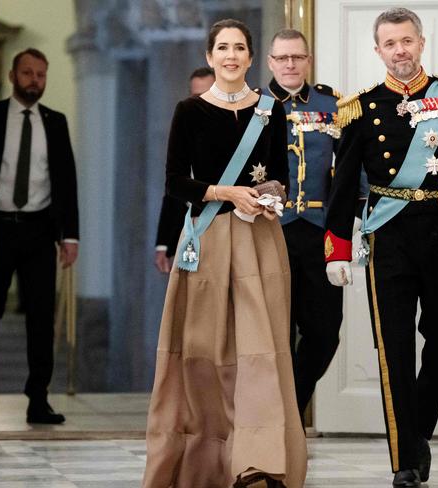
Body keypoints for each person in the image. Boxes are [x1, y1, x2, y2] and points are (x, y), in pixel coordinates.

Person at [324, 8, 438, 487]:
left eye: (407, 41)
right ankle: (404, 461)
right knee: (394, 350)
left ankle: (416, 430)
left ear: (421, 43)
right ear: (377, 50)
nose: (399, 50)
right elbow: (341, 187)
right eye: (390, 43)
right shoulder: (360, 108)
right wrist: (337, 248)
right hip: (390, 237)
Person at [142, 19, 307, 488]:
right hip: (210, 240)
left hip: (260, 243)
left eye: (239, 48)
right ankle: (211, 462)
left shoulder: (271, 112)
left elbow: (281, 179)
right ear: (211, 56)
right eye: (222, 48)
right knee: (205, 353)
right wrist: (228, 194)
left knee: (264, 353)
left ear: (252, 58)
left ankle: (259, 463)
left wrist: (266, 198)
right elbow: (175, 183)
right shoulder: (189, 110)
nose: (231, 55)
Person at [265, 29, 364, 421]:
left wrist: (359, 219)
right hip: (270, 231)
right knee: (274, 334)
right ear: (270, 62)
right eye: (282, 58)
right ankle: (274, 422)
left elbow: (352, 169)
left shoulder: (332, 104)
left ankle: (290, 405)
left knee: (324, 332)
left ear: (307, 61)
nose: (290, 64)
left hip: (319, 231)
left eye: (297, 58)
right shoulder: (256, 107)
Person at [0, 48, 79, 424]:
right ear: (12, 76)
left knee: (41, 319)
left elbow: (67, 183)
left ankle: (38, 399)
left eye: (40, 74)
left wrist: (70, 236)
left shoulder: (54, 122)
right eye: (27, 73)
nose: (34, 81)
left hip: (40, 231)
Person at [154, 67, 216, 274]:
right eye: (196, 96)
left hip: (223, 227)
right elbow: (173, 191)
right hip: (189, 232)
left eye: (208, 94)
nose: (202, 102)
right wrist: (163, 244)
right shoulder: (184, 130)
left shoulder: (235, 127)